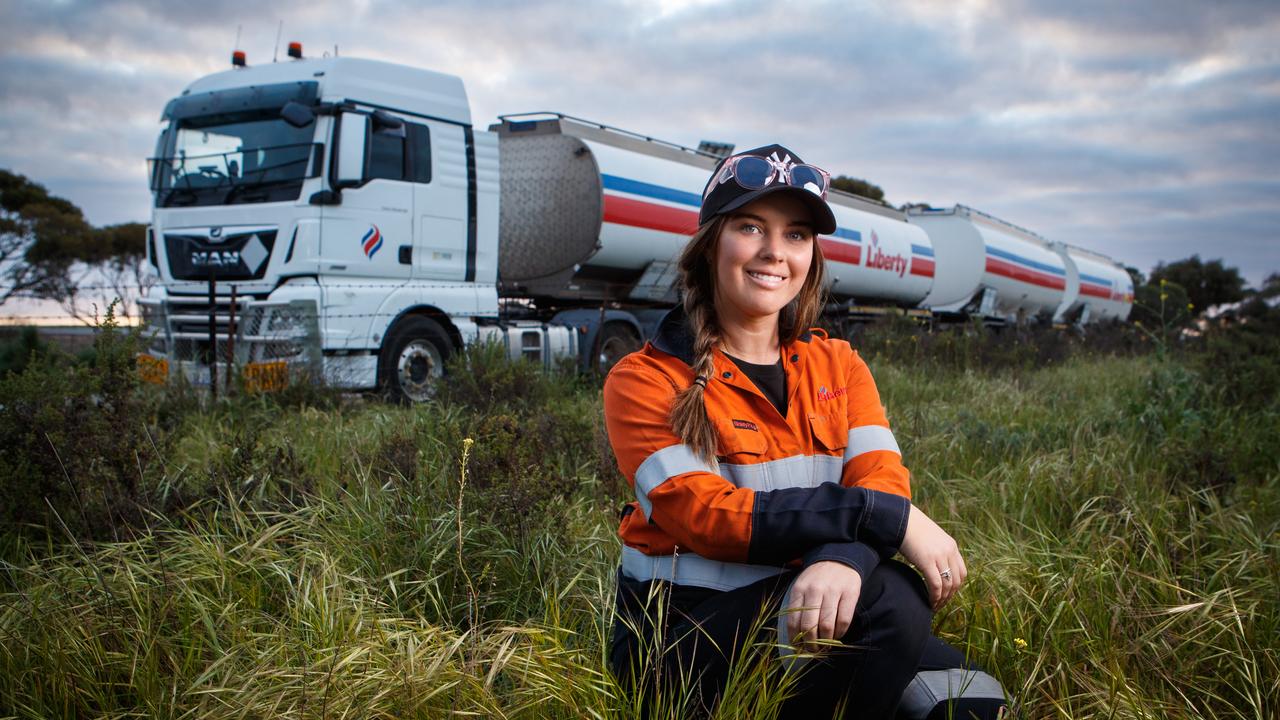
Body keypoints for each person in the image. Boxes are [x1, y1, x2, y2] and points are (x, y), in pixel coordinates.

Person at [603, 144, 967, 718]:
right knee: (890, 603)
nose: (775, 252)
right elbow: (707, 517)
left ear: (813, 256)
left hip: (803, 601)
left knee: (966, 697)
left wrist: (842, 557)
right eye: (751, 227)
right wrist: (879, 521)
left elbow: (882, 479)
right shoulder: (644, 378)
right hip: (677, 638)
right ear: (711, 245)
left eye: (796, 235)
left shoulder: (838, 364)